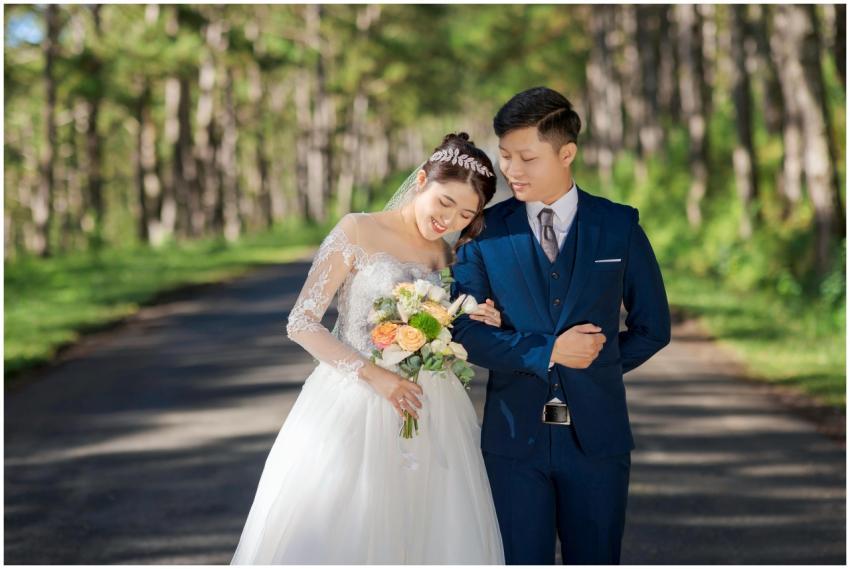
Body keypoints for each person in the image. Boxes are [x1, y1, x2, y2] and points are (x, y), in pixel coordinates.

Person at [231, 133, 505, 564]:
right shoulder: (357, 229)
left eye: (465, 214)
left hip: (431, 406)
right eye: (445, 202)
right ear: (421, 181)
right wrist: (374, 375)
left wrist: (476, 315)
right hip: (354, 398)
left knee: (431, 530)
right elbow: (301, 322)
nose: (449, 219)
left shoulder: (451, 255)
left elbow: (446, 325)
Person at [451, 87, 672, 564]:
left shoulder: (619, 226)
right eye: (505, 156)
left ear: (566, 153)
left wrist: (596, 364)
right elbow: (465, 332)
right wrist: (548, 353)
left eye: (527, 158)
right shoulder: (483, 232)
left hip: (599, 440)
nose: (511, 170)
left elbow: (654, 327)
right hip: (512, 444)